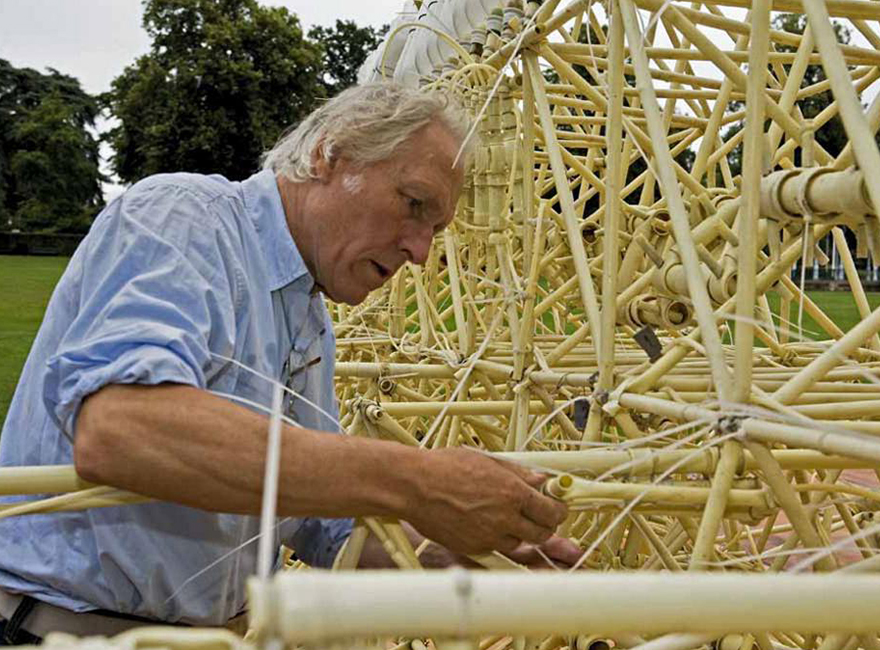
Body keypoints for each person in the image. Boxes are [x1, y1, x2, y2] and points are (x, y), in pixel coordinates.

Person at [0, 83, 578, 643]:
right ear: (331, 153)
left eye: (434, 229)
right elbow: (123, 428)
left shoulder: (306, 312)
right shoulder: (184, 219)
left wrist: (455, 552)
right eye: (413, 204)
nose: (421, 252)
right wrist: (419, 481)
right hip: (65, 632)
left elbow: (317, 523)